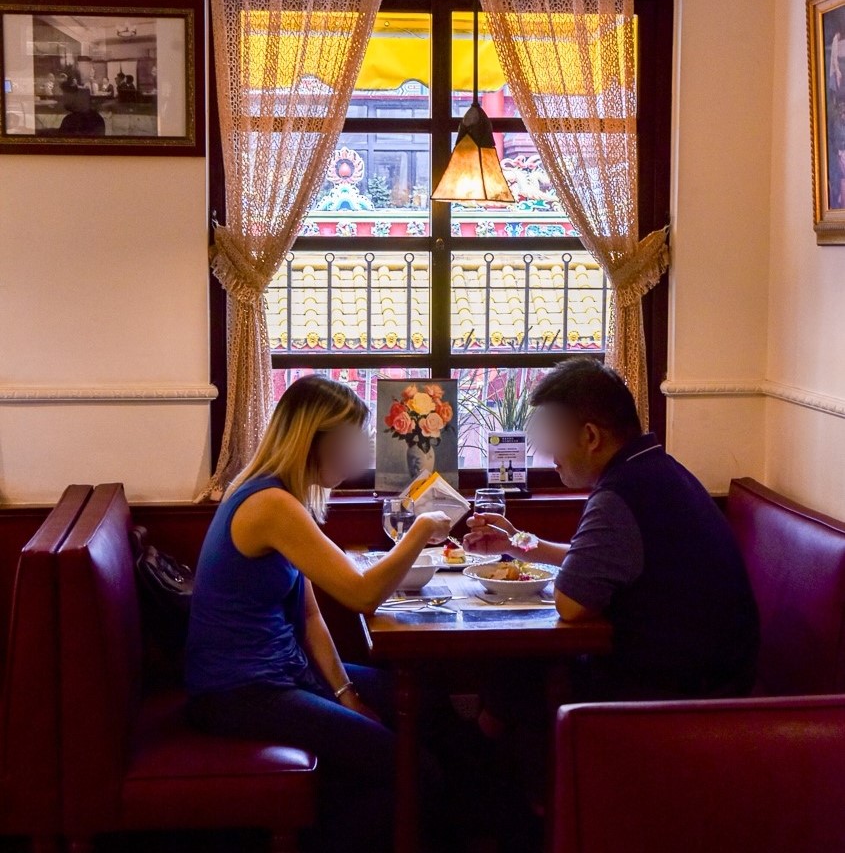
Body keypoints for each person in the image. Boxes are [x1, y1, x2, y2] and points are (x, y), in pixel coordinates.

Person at [185, 375, 452, 852]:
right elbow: (361, 595)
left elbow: (310, 615)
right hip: (240, 692)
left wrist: (344, 693)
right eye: (352, 441)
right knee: (413, 771)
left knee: (425, 701)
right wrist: (421, 529)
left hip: (282, 674)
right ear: (314, 440)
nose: (359, 455)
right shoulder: (270, 504)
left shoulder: (279, 497)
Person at [465, 358, 760, 702]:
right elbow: (593, 565)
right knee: (518, 672)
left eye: (553, 436)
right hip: (717, 672)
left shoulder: (620, 494)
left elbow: (571, 605)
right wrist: (516, 543)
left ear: (590, 436)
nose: (548, 453)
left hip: (676, 688)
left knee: (519, 670)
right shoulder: (657, 468)